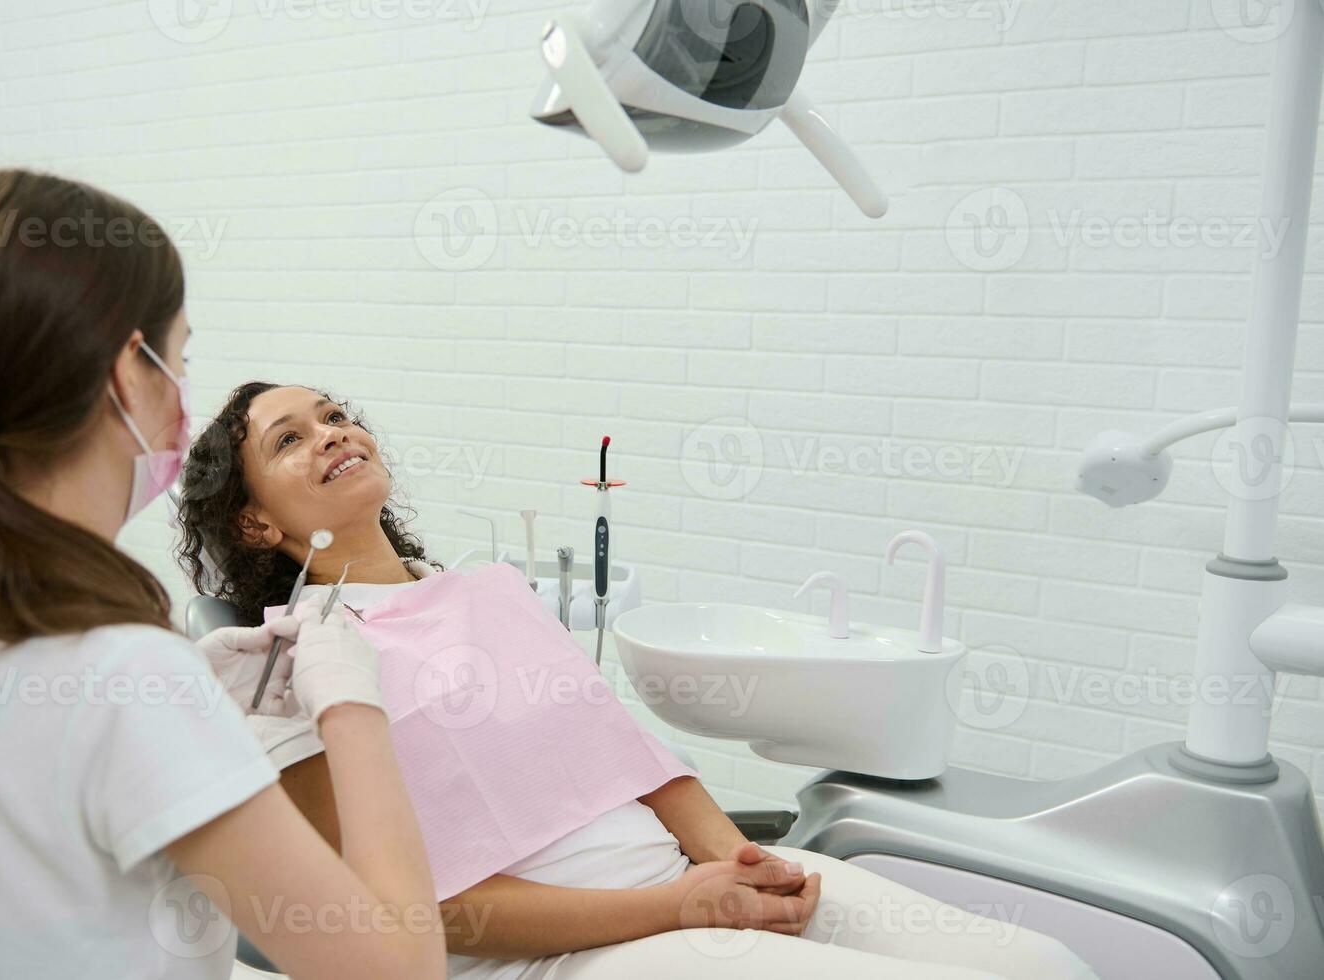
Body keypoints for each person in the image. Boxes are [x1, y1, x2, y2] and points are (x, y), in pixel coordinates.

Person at [177, 380, 1100, 980]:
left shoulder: (490, 589)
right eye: (290, 439)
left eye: (336, 414)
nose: (333, 433)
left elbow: (632, 757)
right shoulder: (285, 668)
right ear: (256, 524)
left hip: (685, 887)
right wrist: (679, 906)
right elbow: (420, 920)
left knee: (1049, 967)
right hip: (561, 954)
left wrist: (736, 862)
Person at [0, 170, 445, 980]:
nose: (183, 392)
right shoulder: (123, 672)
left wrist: (187, 692)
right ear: (129, 371)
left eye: (333, 416)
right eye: (179, 357)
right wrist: (353, 705)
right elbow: (399, 970)